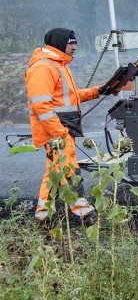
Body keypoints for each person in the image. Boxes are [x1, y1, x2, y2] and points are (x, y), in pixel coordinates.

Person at [25, 28, 104, 227]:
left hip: (61, 128)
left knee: (54, 171)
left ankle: (43, 216)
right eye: (71, 44)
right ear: (61, 43)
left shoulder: (57, 65)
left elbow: (69, 97)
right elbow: (40, 105)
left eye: (75, 43)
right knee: (69, 170)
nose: (75, 47)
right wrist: (59, 133)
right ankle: (84, 211)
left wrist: (98, 91)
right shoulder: (43, 67)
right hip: (56, 132)